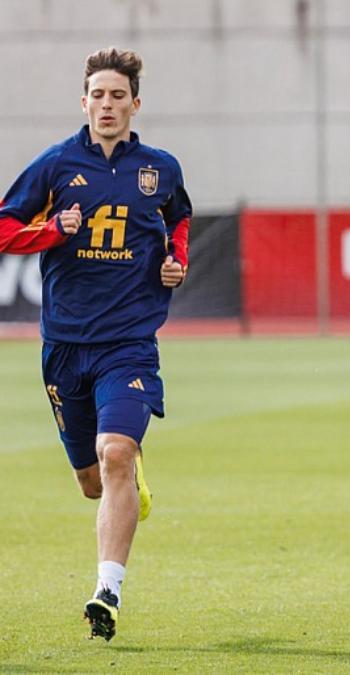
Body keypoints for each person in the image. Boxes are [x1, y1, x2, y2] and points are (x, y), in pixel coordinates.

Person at [0, 47, 191, 641]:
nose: (107, 105)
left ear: (135, 103)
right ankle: (127, 477)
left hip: (128, 343)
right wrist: (55, 229)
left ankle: (107, 590)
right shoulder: (56, 166)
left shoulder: (159, 168)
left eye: (117, 95)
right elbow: (4, 227)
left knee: (116, 455)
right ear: (84, 102)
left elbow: (180, 219)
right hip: (64, 347)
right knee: (92, 478)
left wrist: (176, 258)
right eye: (97, 95)